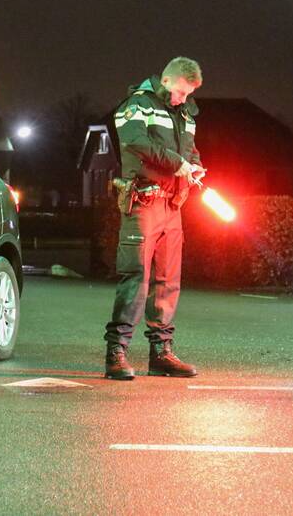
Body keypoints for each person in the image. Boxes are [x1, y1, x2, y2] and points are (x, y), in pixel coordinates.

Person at [104, 57, 205, 380]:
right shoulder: (136, 106)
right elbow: (135, 141)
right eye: (179, 92)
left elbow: (190, 151)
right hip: (143, 204)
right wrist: (177, 164)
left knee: (167, 281)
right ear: (165, 81)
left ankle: (161, 353)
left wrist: (195, 166)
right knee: (136, 279)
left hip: (172, 207)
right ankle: (116, 354)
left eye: (187, 94)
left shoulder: (185, 113)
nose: (182, 99)